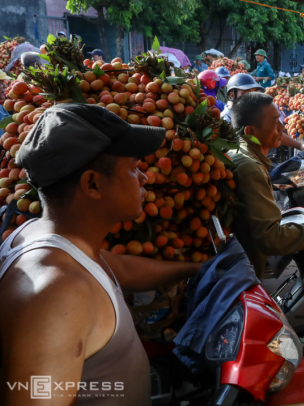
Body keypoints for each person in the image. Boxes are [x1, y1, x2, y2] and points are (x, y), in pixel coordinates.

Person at [0, 104, 204, 405]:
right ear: (92, 184)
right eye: (133, 168)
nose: (144, 178)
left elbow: (120, 268)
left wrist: (198, 270)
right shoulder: (57, 294)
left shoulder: (43, 236)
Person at [227, 93, 304, 277]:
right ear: (251, 132)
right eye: (275, 121)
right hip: (243, 274)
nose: (282, 127)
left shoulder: (240, 151)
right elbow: (271, 238)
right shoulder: (251, 169)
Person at [221, 74, 304, 154]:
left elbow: (273, 132)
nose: (253, 98)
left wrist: (300, 145)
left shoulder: (252, 112)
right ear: (232, 95)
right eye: (247, 93)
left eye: (254, 93)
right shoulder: (224, 121)